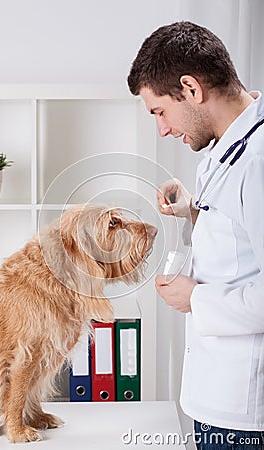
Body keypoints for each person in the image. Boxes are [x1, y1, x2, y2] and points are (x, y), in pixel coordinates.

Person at [128, 21, 264, 449]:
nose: (163, 129)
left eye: (159, 112)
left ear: (190, 88)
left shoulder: (258, 162)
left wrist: (196, 299)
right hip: (213, 398)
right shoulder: (226, 147)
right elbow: (242, 247)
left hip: (244, 415)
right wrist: (193, 210)